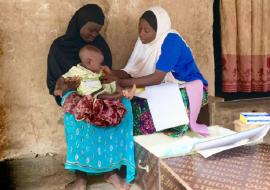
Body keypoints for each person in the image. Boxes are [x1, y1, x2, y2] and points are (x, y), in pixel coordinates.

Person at [47, 4, 134, 190]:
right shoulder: (59, 47)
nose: (94, 34)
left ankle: (111, 171)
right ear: (80, 23)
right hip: (74, 94)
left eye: (98, 31)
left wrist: (108, 89)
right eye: (91, 29)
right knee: (79, 110)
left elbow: (105, 75)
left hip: (100, 91)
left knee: (124, 105)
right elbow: (57, 80)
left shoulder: (99, 46)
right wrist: (71, 92)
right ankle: (81, 177)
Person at [103, 6, 209, 136]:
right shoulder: (143, 41)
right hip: (164, 85)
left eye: (146, 30)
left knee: (150, 103)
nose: (141, 33)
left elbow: (157, 78)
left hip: (190, 87)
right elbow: (132, 70)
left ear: (159, 30)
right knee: (133, 98)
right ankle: (141, 139)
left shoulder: (171, 41)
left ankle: (163, 136)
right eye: (139, 29)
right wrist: (111, 73)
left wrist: (121, 81)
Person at [54, 44, 136, 126]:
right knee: (103, 96)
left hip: (101, 88)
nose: (101, 66)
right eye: (100, 63)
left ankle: (125, 92)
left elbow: (107, 78)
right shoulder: (76, 71)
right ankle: (119, 95)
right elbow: (62, 78)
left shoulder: (95, 70)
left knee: (112, 83)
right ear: (89, 62)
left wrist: (108, 72)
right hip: (91, 96)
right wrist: (58, 88)